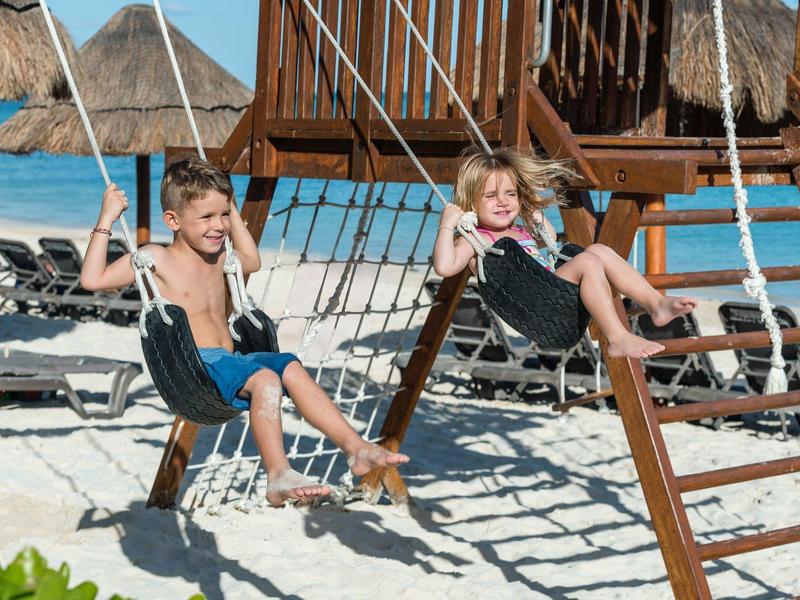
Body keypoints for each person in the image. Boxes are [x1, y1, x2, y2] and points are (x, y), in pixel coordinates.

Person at [80, 156, 409, 506]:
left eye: (223, 215)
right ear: (173, 221)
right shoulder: (156, 258)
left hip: (233, 360)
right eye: (206, 217)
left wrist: (231, 208)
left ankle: (355, 448)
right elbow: (92, 279)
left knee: (290, 366)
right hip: (198, 367)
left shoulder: (221, 255)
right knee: (266, 380)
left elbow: (252, 260)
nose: (218, 226)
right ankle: (278, 474)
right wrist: (106, 219)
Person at [432, 148, 697, 359]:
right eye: (490, 195)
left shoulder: (519, 230)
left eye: (510, 193)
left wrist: (532, 215)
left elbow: (548, 237)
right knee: (588, 260)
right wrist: (448, 224)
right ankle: (617, 337)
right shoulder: (477, 240)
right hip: (538, 303)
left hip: (552, 292)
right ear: (471, 201)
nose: (502, 201)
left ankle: (656, 303)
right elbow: (444, 267)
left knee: (599, 250)